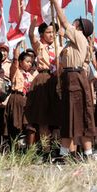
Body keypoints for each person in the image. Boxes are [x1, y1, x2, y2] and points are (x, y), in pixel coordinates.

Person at [48, 0, 96, 160]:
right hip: (69, 77)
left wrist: (55, 2)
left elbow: (63, 21)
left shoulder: (80, 36)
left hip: (75, 77)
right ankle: (65, 153)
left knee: (81, 116)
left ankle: (87, 154)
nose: (72, 24)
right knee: (68, 116)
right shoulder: (71, 44)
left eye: (76, 23)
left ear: (80, 28)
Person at [24, 20, 61, 148]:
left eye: (53, 32)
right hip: (42, 80)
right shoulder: (39, 47)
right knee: (43, 118)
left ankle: (58, 149)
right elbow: (31, 36)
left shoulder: (60, 48)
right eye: (48, 32)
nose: (52, 35)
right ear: (42, 34)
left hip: (56, 81)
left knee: (57, 118)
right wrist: (33, 22)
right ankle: (46, 150)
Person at [5, 46, 36, 143]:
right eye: (27, 61)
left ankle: (29, 150)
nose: (29, 64)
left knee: (29, 126)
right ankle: (13, 148)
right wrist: (17, 46)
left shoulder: (31, 75)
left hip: (27, 101)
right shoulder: (16, 71)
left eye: (31, 62)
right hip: (16, 99)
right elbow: (15, 61)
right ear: (21, 62)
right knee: (15, 125)